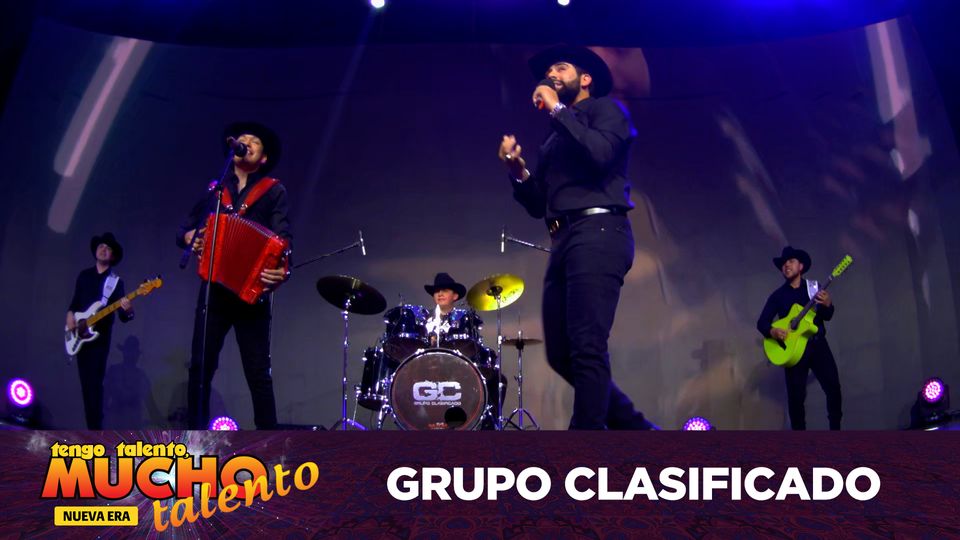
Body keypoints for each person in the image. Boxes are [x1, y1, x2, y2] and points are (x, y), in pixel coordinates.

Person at [497, 45, 653, 430]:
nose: (551, 74)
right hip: (563, 241)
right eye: (548, 70)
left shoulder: (606, 111)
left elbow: (600, 154)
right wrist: (518, 171)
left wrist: (556, 109)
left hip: (599, 232)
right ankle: (639, 430)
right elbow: (539, 204)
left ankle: (583, 444)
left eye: (561, 68)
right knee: (562, 354)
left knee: (587, 346)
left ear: (585, 79)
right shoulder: (554, 140)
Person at [176, 121, 292, 430]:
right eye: (243, 139)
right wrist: (188, 237)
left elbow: (284, 235)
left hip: (251, 294)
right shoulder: (216, 191)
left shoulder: (273, 191)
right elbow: (185, 229)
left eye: (255, 141)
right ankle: (195, 438)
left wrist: (283, 268)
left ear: (263, 158)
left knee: (258, 372)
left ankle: (269, 441)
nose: (247, 142)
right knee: (200, 367)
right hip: (214, 290)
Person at [757, 246, 842, 430]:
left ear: (801, 266)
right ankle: (799, 440)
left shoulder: (814, 288)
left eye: (791, 261)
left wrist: (828, 304)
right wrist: (773, 332)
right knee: (796, 399)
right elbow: (762, 323)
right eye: (783, 264)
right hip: (794, 351)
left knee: (833, 388)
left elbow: (827, 316)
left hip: (818, 346)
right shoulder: (777, 296)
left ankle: (836, 433)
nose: (786, 265)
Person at [66, 232, 134, 429]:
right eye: (101, 246)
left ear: (113, 256)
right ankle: (92, 430)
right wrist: (69, 316)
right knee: (86, 387)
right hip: (80, 337)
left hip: (99, 342)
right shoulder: (84, 276)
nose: (104, 249)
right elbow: (75, 303)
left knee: (94, 387)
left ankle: (95, 432)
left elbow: (123, 316)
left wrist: (128, 310)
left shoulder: (116, 282)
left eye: (108, 248)